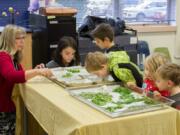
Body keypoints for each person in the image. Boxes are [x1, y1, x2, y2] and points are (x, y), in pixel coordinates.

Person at [0, 24, 52, 134]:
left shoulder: (13, 58)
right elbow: (12, 76)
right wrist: (37, 72)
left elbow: (20, 75)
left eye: (23, 38)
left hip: (9, 104)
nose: (22, 41)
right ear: (8, 39)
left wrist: (34, 70)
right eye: (18, 38)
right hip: (3, 106)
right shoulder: (2, 56)